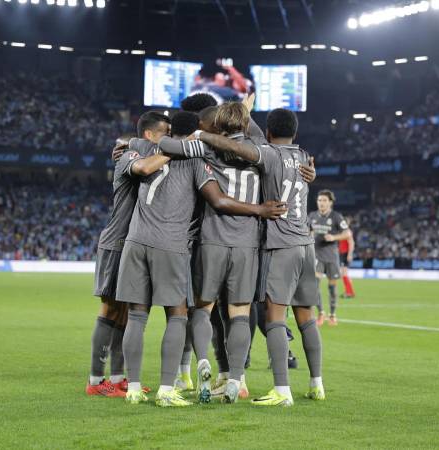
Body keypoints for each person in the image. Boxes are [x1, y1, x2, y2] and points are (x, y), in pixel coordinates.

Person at [118, 113, 287, 407]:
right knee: (183, 315)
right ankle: (174, 388)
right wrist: (260, 209)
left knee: (136, 316)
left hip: (136, 241)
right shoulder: (200, 159)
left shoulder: (141, 149)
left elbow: (130, 144)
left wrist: (130, 142)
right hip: (175, 245)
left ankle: (133, 388)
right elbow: (218, 200)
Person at [195, 108, 323, 407]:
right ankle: (317, 384)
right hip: (307, 245)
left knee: (274, 319)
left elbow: (238, 146)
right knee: (307, 320)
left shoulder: (267, 154)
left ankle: (282, 390)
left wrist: (201, 134)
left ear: (267, 133)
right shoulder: (304, 156)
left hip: (280, 244)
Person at [86, 111, 172, 397]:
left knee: (125, 312)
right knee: (110, 309)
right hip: (116, 242)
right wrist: (176, 151)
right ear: (149, 135)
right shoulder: (130, 157)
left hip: (134, 243)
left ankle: (119, 376)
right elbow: (144, 168)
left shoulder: (142, 152)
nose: (169, 138)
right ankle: (96, 381)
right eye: (165, 133)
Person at [309, 191, 351, 326]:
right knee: (314, 284)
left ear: (330, 202)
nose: (321, 203)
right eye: (319, 200)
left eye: (324, 200)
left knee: (332, 287)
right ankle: (321, 313)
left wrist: (334, 237)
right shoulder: (312, 216)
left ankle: (332, 315)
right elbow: (308, 231)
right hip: (317, 255)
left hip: (332, 256)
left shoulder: (336, 217)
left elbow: (347, 233)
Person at [339, 221, 356, 299]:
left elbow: (351, 243)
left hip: (345, 254)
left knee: (344, 274)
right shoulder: (342, 231)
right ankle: (349, 291)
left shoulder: (347, 231)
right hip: (342, 254)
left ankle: (349, 292)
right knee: (344, 274)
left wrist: (350, 254)